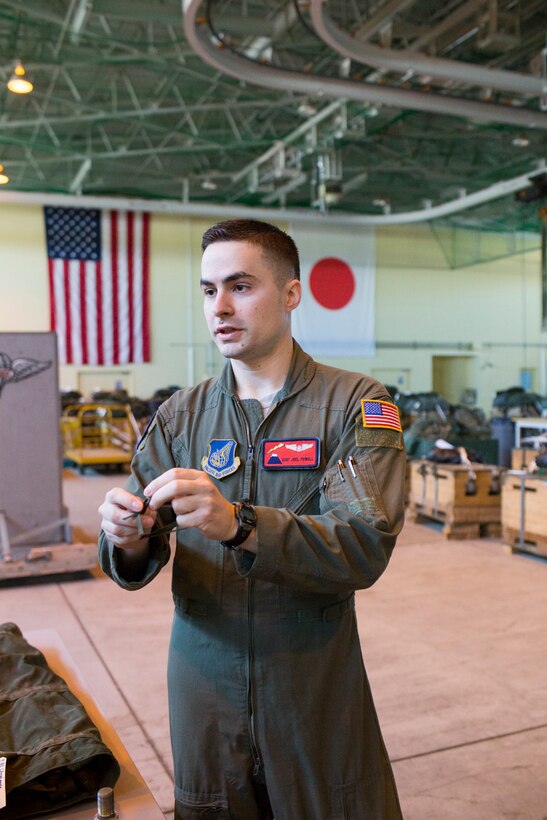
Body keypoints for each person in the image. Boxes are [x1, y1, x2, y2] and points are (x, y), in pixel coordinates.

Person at [98, 219, 406, 820]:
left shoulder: (357, 407)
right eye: (210, 291)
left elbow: (363, 544)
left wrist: (239, 523)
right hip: (202, 677)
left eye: (241, 286)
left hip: (310, 676)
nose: (221, 308)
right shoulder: (181, 418)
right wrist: (126, 535)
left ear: (291, 294)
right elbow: (136, 557)